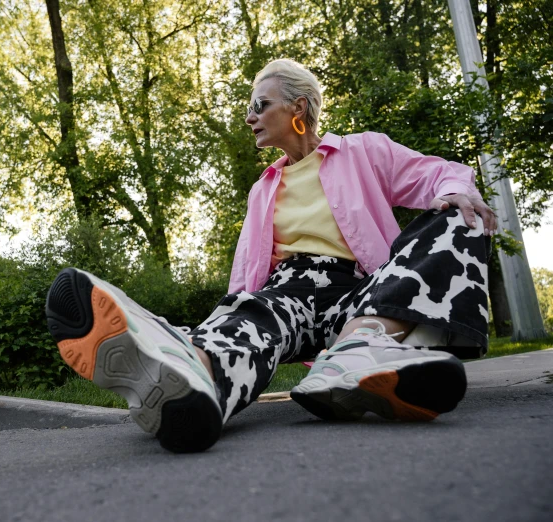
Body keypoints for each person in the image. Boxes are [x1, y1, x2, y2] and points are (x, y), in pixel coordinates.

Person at [45, 59, 496, 453]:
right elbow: (247, 279)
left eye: (260, 105)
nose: (249, 117)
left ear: (298, 108)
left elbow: (440, 173)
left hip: (364, 295)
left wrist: (455, 192)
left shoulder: (363, 151)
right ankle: (195, 370)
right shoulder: (262, 190)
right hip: (290, 294)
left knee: (462, 216)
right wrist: (221, 327)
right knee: (255, 315)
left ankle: (357, 354)